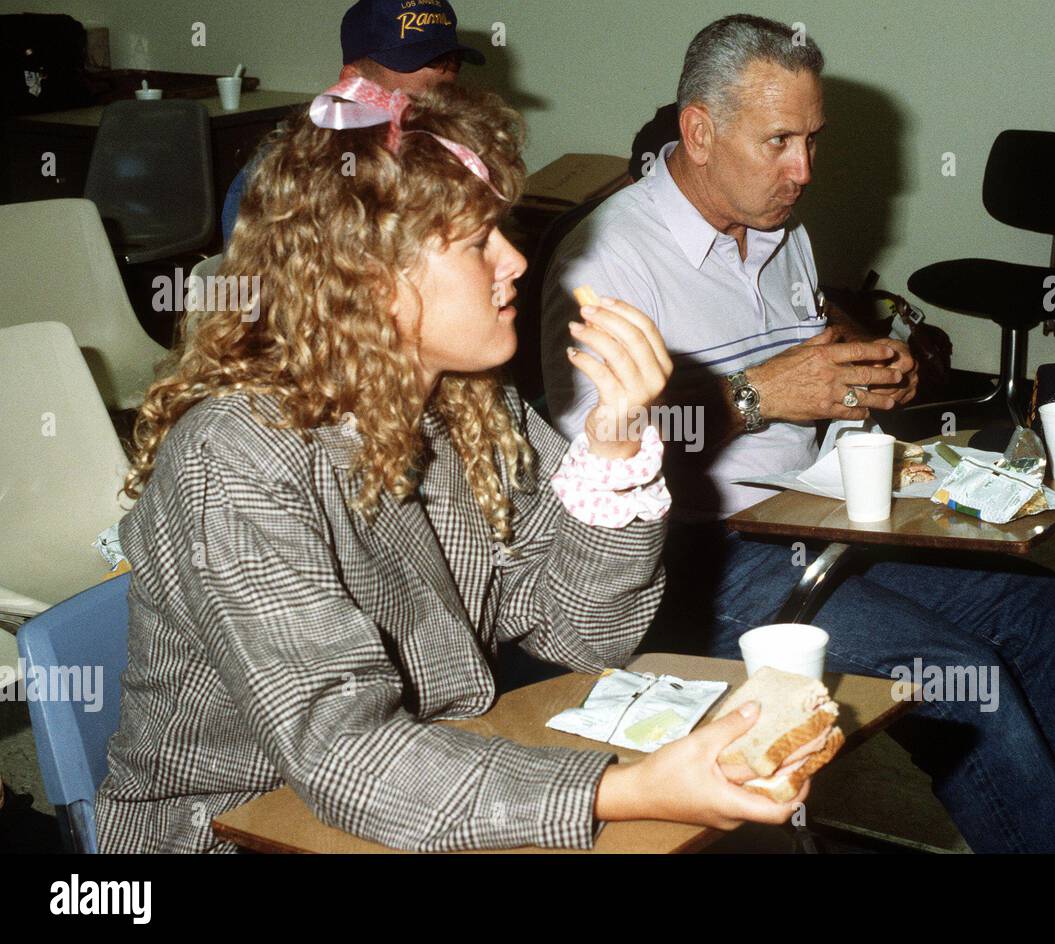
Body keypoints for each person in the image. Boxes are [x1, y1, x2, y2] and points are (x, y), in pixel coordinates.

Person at [95, 79, 812, 853]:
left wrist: (611, 442)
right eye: (477, 243)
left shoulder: (465, 402)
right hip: (231, 828)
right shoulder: (236, 457)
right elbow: (345, 754)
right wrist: (622, 790)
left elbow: (581, 633)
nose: (514, 260)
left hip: (402, 788)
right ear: (372, 283)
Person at [542, 14, 1055, 854]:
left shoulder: (782, 233)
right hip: (689, 561)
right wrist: (756, 397)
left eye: (812, 139)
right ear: (698, 132)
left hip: (813, 517)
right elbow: (583, 468)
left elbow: (809, 345)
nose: (803, 170)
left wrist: (867, 368)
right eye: (779, 141)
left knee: (1038, 608)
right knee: (965, 676)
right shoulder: (607, 260)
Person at [220, 0, 482, 244]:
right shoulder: (287, 178)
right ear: (353, 85)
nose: (433, 124)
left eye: (445, 103)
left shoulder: (454, 156)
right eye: (412, 106)